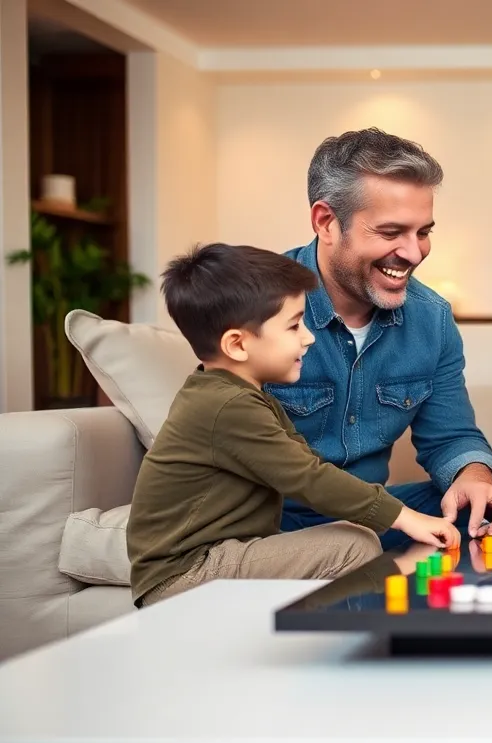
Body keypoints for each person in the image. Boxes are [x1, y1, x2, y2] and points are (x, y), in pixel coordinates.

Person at [128, 244, 459, 608]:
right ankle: (393, 591)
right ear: (237, 344)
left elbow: (303, 459)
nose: (308, 336)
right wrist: (403, 518)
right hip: (184, 574)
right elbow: (308, 476)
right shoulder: (228, 405)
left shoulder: (245, 395)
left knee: (369, 529)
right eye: (293, 325)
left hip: (224, 554)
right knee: (354, 543)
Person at [269, 127, 492, 549]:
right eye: (391, 233)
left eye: (423, 232)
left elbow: (451, 435)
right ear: (327, 222)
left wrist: (474, 478)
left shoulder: (432, 319)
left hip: (374, 516)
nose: (414, 252)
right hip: (272, 522)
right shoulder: (260, 304)